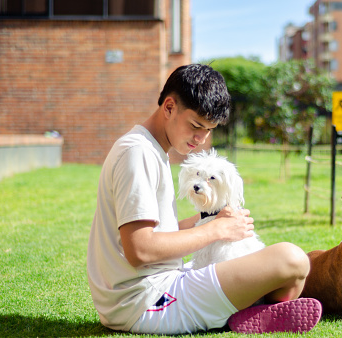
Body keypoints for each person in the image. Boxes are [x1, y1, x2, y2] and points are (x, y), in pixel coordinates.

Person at [86, 64, 321, 335]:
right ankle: (252, 310)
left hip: (155, 288)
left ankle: (255, 311)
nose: (201, 139)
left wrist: (207, 220)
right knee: (292, 259)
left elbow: (158, 233)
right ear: (169, 107)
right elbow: (140, 251)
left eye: (209, 130)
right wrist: (215, 229)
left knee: (295, 265)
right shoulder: (137, 153)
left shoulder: (150, 149)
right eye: (196, 126)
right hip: (146, 302)